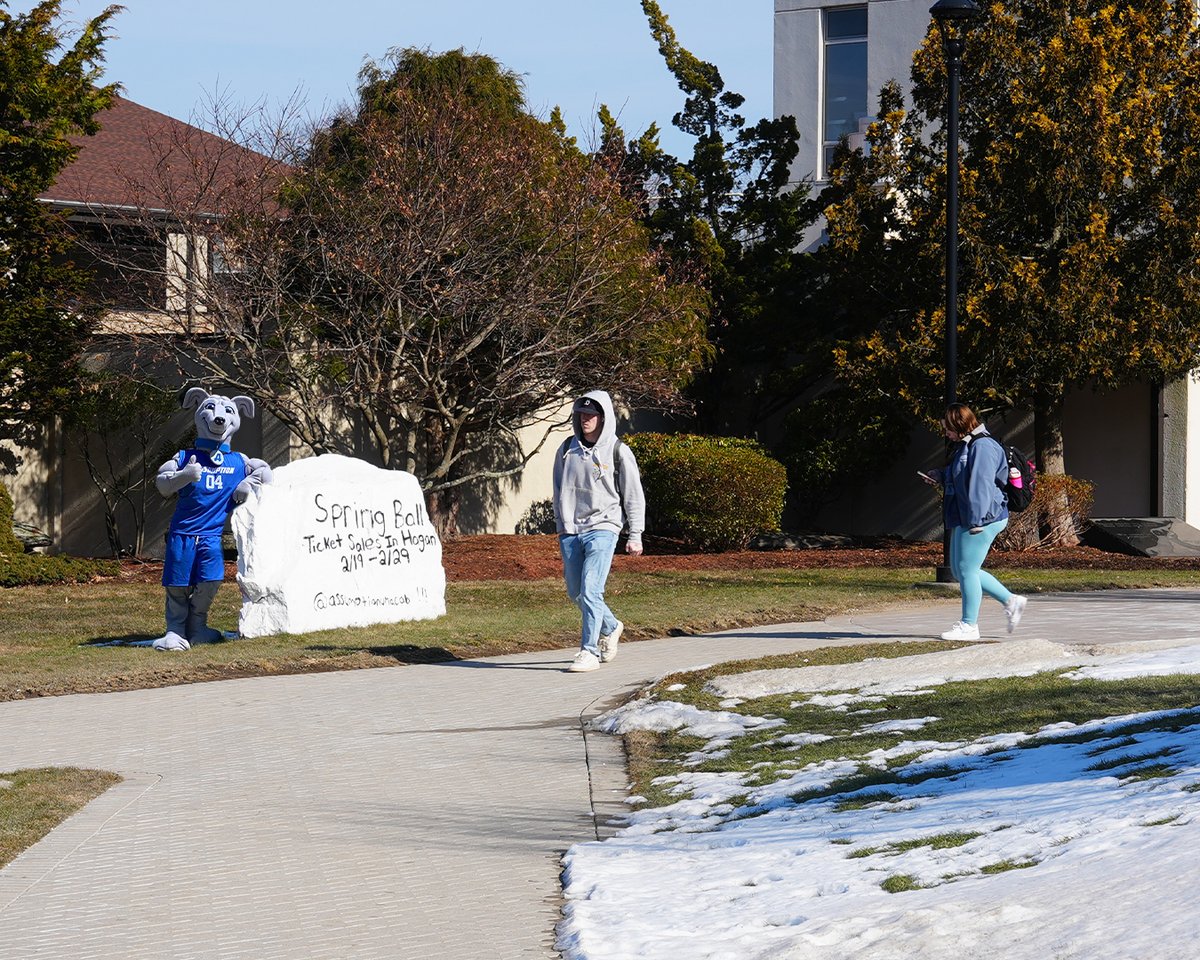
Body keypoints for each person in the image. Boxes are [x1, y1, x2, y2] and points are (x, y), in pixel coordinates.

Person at [552, 389, 645, 672]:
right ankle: (611, 626)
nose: (585, 420)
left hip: (604, 528)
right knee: (576, 592)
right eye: (581, 414)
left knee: (592, 590)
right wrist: (560, 524)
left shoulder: (618, 451)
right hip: (570, 529)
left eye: (591, 415)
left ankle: (589, 652)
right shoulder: (567, 449)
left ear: (603, 417)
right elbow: (558, 489)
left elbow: (633, 494)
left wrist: (635, 534)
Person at [921, 403, 1027, 641]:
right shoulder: (967, 445)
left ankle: (969, 626)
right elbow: (961, 475)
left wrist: (976, 520)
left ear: (959, 425)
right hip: (967, 515)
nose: (946, 433)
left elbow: (981, 486)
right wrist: (939, 475)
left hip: (981, 518)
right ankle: (1012, 601)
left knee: (967, 570)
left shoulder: (984, 446)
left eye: (948, 428)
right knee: (962, 570)